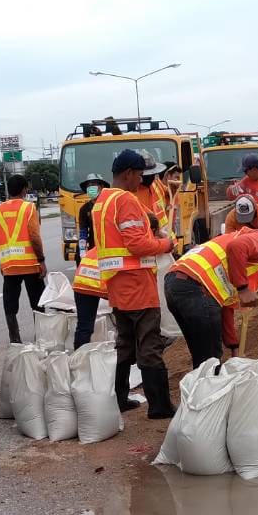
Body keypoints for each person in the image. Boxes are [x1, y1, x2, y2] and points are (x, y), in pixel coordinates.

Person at [90, 148, 176, 418]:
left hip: (117, 285)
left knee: (125, 345)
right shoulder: (125, 200)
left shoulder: (102, 201)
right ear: (127, 174)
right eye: (139, 175)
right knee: (149, 345)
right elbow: (137, 244)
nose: (141, 181)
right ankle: (160, 406)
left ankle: (119, 398)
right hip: (138, 284)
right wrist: (166, 245)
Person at [165, 226, 258, 370]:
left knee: (203, 357)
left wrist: (233, 346)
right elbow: (236, 246)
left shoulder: (236, 263)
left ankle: (202, 382)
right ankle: (209, 383)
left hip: (176, 283)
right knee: (210, 360)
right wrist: (243, 288)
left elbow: (226, 307)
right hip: (196, 285)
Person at [0, 174, 46, 343]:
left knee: (10, 303)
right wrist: (41, 260)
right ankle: (41, 336)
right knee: (37, 301)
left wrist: (2, 263)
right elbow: (34, 237)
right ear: (24, 190)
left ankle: (14, 338)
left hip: (9, 265)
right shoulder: (29, 208)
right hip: (30, 263)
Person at [71, 174, 108, 350]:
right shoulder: (85, 209)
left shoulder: (108, 206)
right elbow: (83, 231)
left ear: (102, 187)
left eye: (95, 184)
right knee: (85, 322)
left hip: (108, 253)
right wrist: (83, 250)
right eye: (89, 185)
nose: (92, 187)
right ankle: (79, 353)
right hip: (92, 254)